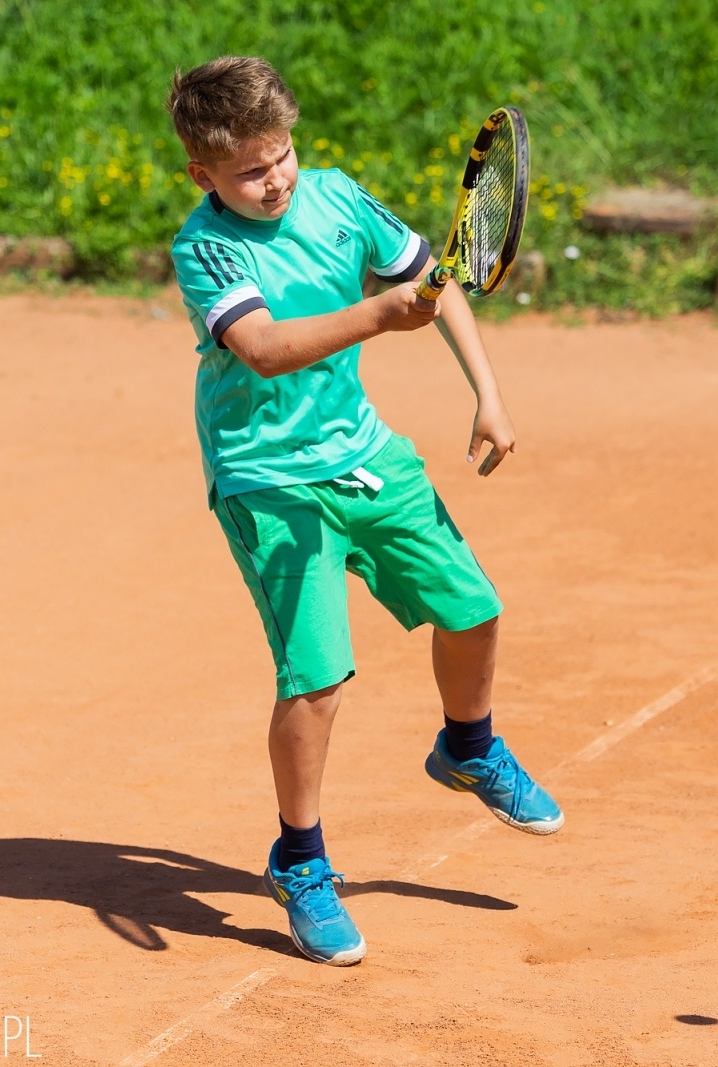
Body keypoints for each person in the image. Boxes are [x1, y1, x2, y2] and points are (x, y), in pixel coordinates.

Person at [166, 55, 561, 966]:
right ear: (203, 175)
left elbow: (435, 277)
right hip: (267, 480)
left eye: (282, 156)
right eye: (249, 172)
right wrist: (382, 317)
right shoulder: (206, 247)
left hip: (365, 457)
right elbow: (263, 348)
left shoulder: (338, 197)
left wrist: (486, 393)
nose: (275, 181)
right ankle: (299, 861)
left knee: (475, 610)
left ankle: (468, 747)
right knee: (317, 678)